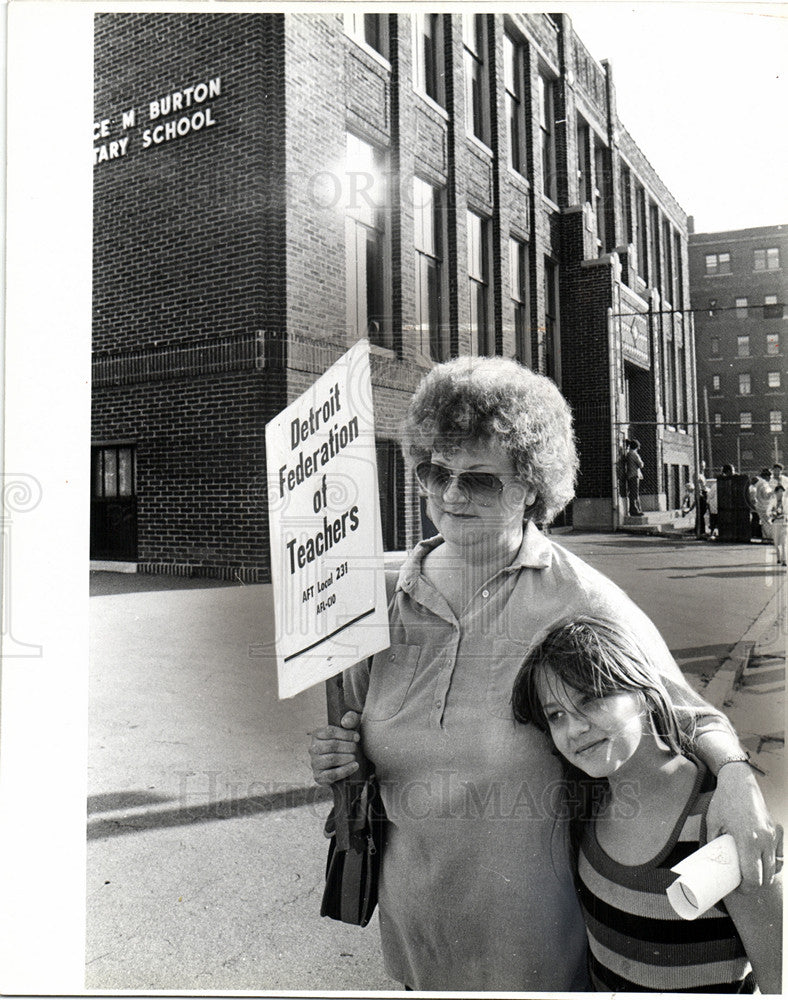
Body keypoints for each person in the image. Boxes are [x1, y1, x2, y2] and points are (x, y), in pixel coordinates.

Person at [309, 356, 780, 992]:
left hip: (535, 957)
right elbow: (360, 743)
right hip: (418, 938)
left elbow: (684, 710)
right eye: (434, 472)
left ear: (531, 485)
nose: (450, 495)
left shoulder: (576, 595)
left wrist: (735, 779)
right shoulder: (380, 596)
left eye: (479, 480)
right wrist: (344, 758)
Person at [511, 616, 782, 993]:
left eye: (591, 699)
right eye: (556, 715)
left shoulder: (722, 824)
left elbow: (778, 980)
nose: (574, 728)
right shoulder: (589, 809)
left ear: (644, 692)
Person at [769, 484, 787, 566]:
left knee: (784, 542)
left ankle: (784, 560)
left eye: (782, 492)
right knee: (776, 542)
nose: (781, 493)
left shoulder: (786, 501)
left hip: (784, 522)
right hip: (775, 523)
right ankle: (778, 557)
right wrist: (773, 514)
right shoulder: (772, 501)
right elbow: (768, 511)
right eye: (779, 492)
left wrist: (784, 515)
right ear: (776, 493)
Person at [625, 438, 645, 516]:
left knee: (633, 493)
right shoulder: (634, 454)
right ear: (636, 446)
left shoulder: (629, 453)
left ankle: (635, 509)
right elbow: (641, 464)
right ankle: (635, 510)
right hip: (634, 475)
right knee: (634, 493)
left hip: (630, 475)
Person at [755, 468, 775, 542]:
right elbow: (766, 495)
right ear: (766, 476)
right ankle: (769, 538)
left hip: (761, 505)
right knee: (767, 522)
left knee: (764, 522)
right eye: (770, 476)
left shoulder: (759, 482)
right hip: (764, 506)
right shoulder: (764, 484)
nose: (770, 478)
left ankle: (765, 538)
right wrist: (774, 492)